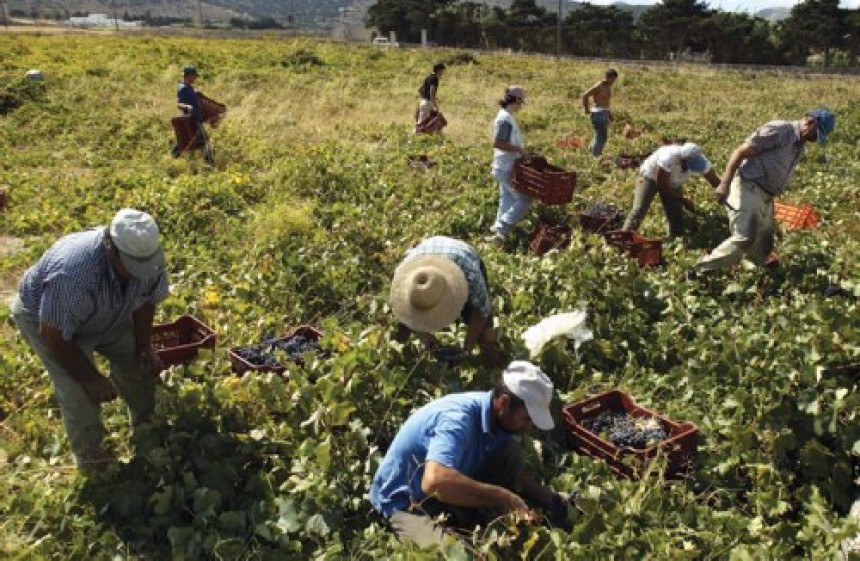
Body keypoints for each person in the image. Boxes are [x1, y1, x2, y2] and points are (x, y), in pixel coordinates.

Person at [10, 209, 170, 470]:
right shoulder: (74, 273)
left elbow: (145, 301)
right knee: (78, 391)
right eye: (132, 266)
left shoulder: (147, 258)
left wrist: (143, 345)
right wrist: (89, 377)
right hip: (48, 319)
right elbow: (54, 335)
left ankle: (147, 430)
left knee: (137, 364)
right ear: (111, 249)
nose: (139, 272)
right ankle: (93, 459)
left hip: (106, 312)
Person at [369, 361, 570, 548]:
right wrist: (502, 497)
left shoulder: (496, 417)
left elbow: (516, 474)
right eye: (526, 419)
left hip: (443, 485)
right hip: (406, 501)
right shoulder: (457, 420)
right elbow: (433, 482)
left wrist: (548, 498)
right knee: (460, 555)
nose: (527, 428)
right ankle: (464, 514)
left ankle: (468, 510)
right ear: (504, 402)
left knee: (510, 455)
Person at [695, 109, 835, 272]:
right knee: (745, 238)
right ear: (810, 122)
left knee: (765, 240)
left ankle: (757, 270)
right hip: (748, 186)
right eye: (816, 134)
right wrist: (724, 184)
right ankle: (700, 268)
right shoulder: (780, 130)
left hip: (767, 195)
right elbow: (740, 152)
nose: (815, 139)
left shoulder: (800, 145)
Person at [391, 236, 505, 367]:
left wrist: (467, 349)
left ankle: (495, 369)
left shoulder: (470, 276)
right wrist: (426, 339)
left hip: (462, 255)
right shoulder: (404, 279)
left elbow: (481, 311)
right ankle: (399, 361)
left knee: (486, 338)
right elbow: (406, 312)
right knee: (402, 331)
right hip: (425, 252)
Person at [622, 142, 721, 238]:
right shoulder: (669, 157)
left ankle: (675, 240)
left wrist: (726, 194)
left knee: (676, 218)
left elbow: (716, 182)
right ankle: (623, 239)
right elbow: (662, 185)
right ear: (682, 159)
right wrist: (683, 201)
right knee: (639, 209)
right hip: (650, 177)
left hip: (673, 182)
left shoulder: (702, 162)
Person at [489, 85, 529, 244]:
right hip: (506, 167)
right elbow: (498, 143)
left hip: (502, 166)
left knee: (506, 198)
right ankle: (503, 226)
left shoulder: (506, 116)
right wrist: (519, 149)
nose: (521, 106)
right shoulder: (505, 118)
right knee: (524, 199)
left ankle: (498, 235)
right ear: (516, 101)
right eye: (521, 102)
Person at [171, 65, 213, 165]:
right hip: (191, 120)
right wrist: (187, 106)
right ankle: (210, 163)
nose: (195, 78)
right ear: (188, 76)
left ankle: (173, 158)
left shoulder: (188, 87)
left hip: (195, 119)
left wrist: (196, 93)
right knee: (203, 141)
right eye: (194, 76)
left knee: (186, 141)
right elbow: (179, 104)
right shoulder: (183, 89)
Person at [581, 69, 618, 157]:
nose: (613, 82)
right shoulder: (599, 85)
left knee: (598, 135)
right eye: (612, 79)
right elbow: (585, 95)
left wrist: (609, 114)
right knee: (602, 137)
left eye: (614, 80)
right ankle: (596, 156)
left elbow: (606, 102)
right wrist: (586, 109)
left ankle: (591, 153)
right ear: (608, 77)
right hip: (598, 113)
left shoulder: (608, 86)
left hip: (603, 113)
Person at [415, 63, 446, 132]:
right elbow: (431, 93)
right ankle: (411, 140)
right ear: (438, 70)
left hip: (423, 102)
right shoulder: (435, 79)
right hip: (428, 103)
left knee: (427, 123)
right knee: (421, 124)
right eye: (442, 71)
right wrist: (435, 106)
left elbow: (420, 89)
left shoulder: (428, 77)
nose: (442, 73)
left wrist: (424, 97)